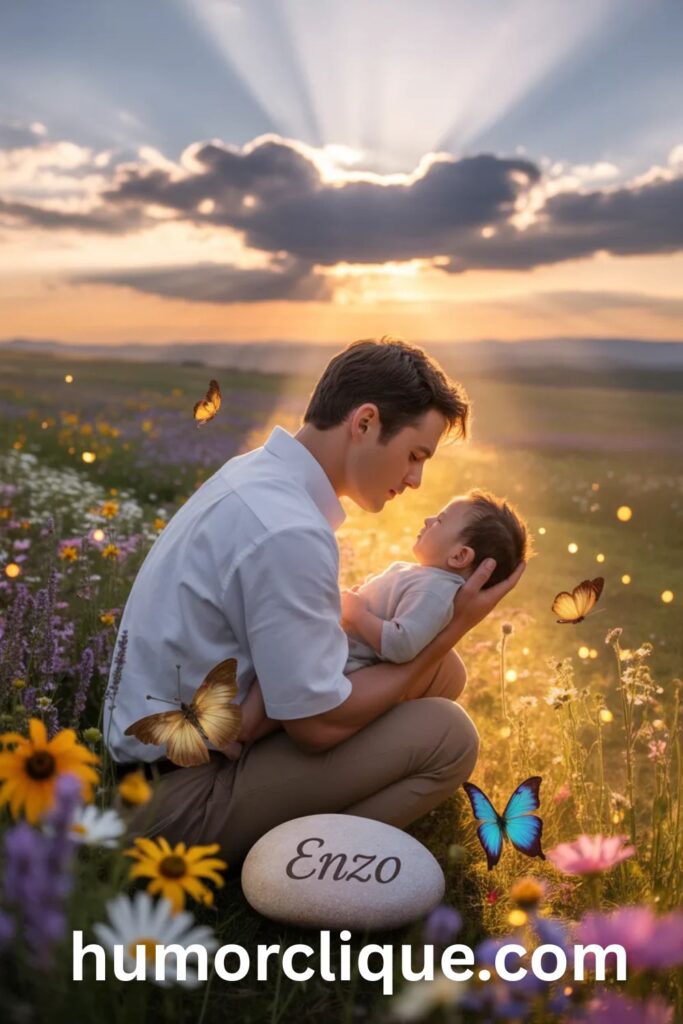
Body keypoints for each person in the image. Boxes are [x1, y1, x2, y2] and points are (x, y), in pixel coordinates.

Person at [105, 337, 526, 867]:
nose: (416, 480)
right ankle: (300, 871)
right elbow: (316, 728)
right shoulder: (290, 532)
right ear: (365, 422)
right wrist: (452, 627)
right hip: (173, 802)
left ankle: (301, 845)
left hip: (176, 753)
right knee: (450, 738)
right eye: (415, 456)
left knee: (445, 675)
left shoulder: (256, 474)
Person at [342, 489, 529, 672]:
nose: (428, 520)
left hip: (344, 661)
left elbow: (401, 645)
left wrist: (358, 614)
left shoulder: (435, 592)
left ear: (459, 556)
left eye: (439, 521)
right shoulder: (426, 578)